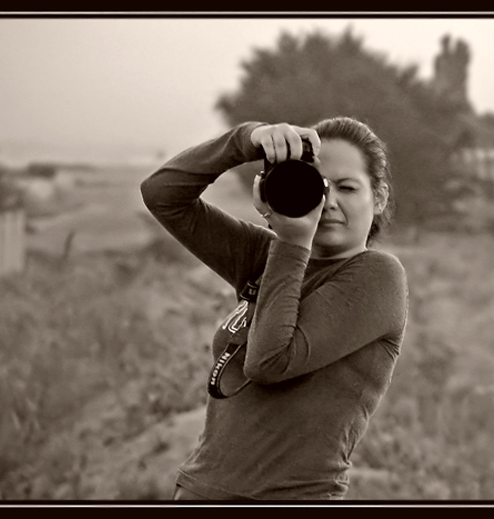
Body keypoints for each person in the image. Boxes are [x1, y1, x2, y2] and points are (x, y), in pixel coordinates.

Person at [140, 116, 408, 501]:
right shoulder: (267, 254)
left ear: (378, 197)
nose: (328, 202)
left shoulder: (378, 276)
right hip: (199, 491)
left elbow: (268, 362)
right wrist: (247, 140)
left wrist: (292, 241)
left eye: (348, 187)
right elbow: (162, 194)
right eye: (318, 185)